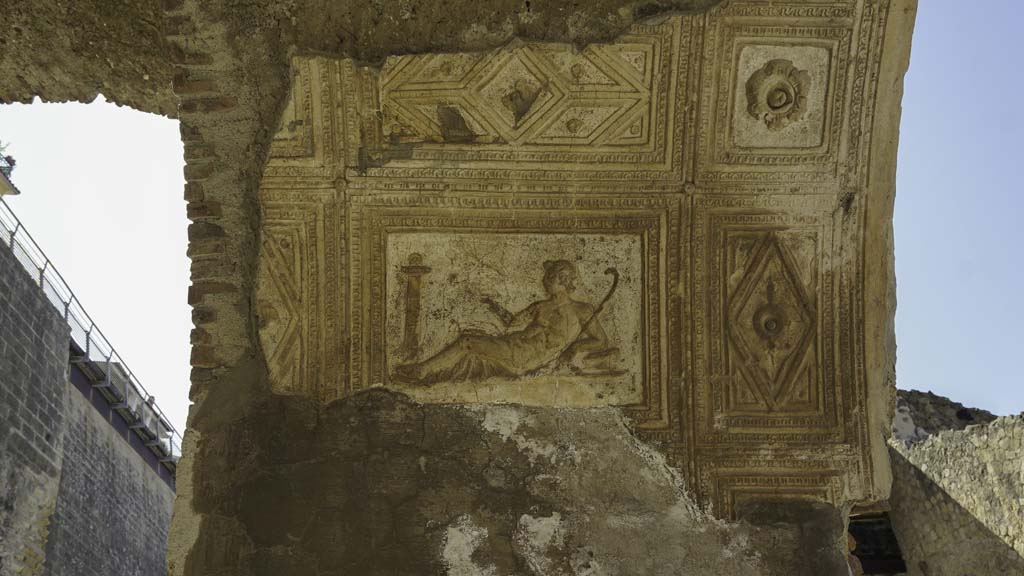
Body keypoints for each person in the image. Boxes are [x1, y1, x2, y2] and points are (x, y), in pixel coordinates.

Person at [393, 259, 609, 385]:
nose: (544, 281)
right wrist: (492, 305)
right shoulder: (540, 306)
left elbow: (600, 341)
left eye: (549, 278)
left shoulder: (583, 310)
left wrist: (573, 349)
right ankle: (427, 372)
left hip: (522, 356)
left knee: (467, 340)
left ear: (562, 280)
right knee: (471, 337)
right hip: (515, 347)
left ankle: (420, 371)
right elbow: (512, 322)